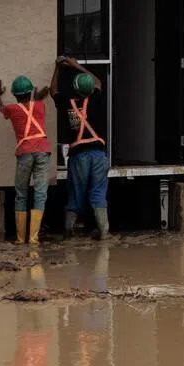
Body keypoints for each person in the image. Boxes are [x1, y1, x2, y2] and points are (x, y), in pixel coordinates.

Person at [51, 56, 109, 239]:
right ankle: (103, 232)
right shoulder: (96, 100)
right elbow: (98, 81)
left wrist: (57, 69)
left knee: (76, 194)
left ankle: (68, 232)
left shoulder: (68, 104)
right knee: (98, 193)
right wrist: (77, 66)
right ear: (90, 89)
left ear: (75, 88)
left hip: (79, 156)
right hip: (99, 155)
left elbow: (53, 91)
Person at [0, 74, 52, 246]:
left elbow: (0, 107)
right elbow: (36, 100)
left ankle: (20, 238)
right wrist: (39, 94)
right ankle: (33, 238)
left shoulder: (12, 110)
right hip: (42, 150)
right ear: (30, 93)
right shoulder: (40, 106)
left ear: (16, 95)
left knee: (21, 194)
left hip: (25, 152)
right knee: (40, 194)